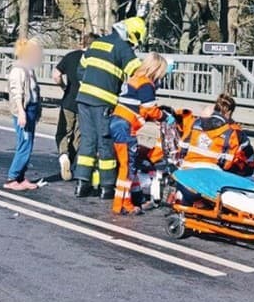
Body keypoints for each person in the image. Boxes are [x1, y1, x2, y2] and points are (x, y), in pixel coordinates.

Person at [73, 16, 145, 199]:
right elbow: (138, 73)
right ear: (132, 34)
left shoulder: (98, 43)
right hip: (103, 102)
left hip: (83, 99)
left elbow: (80, 71)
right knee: (105, 143)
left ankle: (82, 184)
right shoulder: (123, 47)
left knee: (87, 140)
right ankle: (107, 187)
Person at [108, 54, 169, 214]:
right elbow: (150, 109)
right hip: (126, 126)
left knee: (128, 165)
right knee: (128, 167)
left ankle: (130, 199)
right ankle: (122, 204)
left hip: (118, 122)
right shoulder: (146, 84)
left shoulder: (134, 79)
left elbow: (137, 107)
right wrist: (164, 117)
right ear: (156, 69)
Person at [177, 93, 254, 176]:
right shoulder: (234, 133)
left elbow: (182, 149)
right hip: (213, 174)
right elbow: (248, 162)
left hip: (187, 168)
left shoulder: (195, 123)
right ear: (229, 112)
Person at [4, 39, 43, 191]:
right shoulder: (18, 70)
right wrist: (21, 112)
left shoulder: (28, 69)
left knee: (28, 143)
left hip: (31, 109)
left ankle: (20, 176)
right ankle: (12, 178)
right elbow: (16, 92)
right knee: (25, 144)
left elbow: (33, 92)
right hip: (24, 110)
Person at [53, 33, 91, 181]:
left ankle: (64, 157)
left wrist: (64, 87)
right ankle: (73, 163)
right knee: (78, 135)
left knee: (63, 131)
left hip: (69, 100)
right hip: (86, 102)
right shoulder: (96, 59)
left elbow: (56, 75)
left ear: (83, 43)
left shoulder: (71, 56)